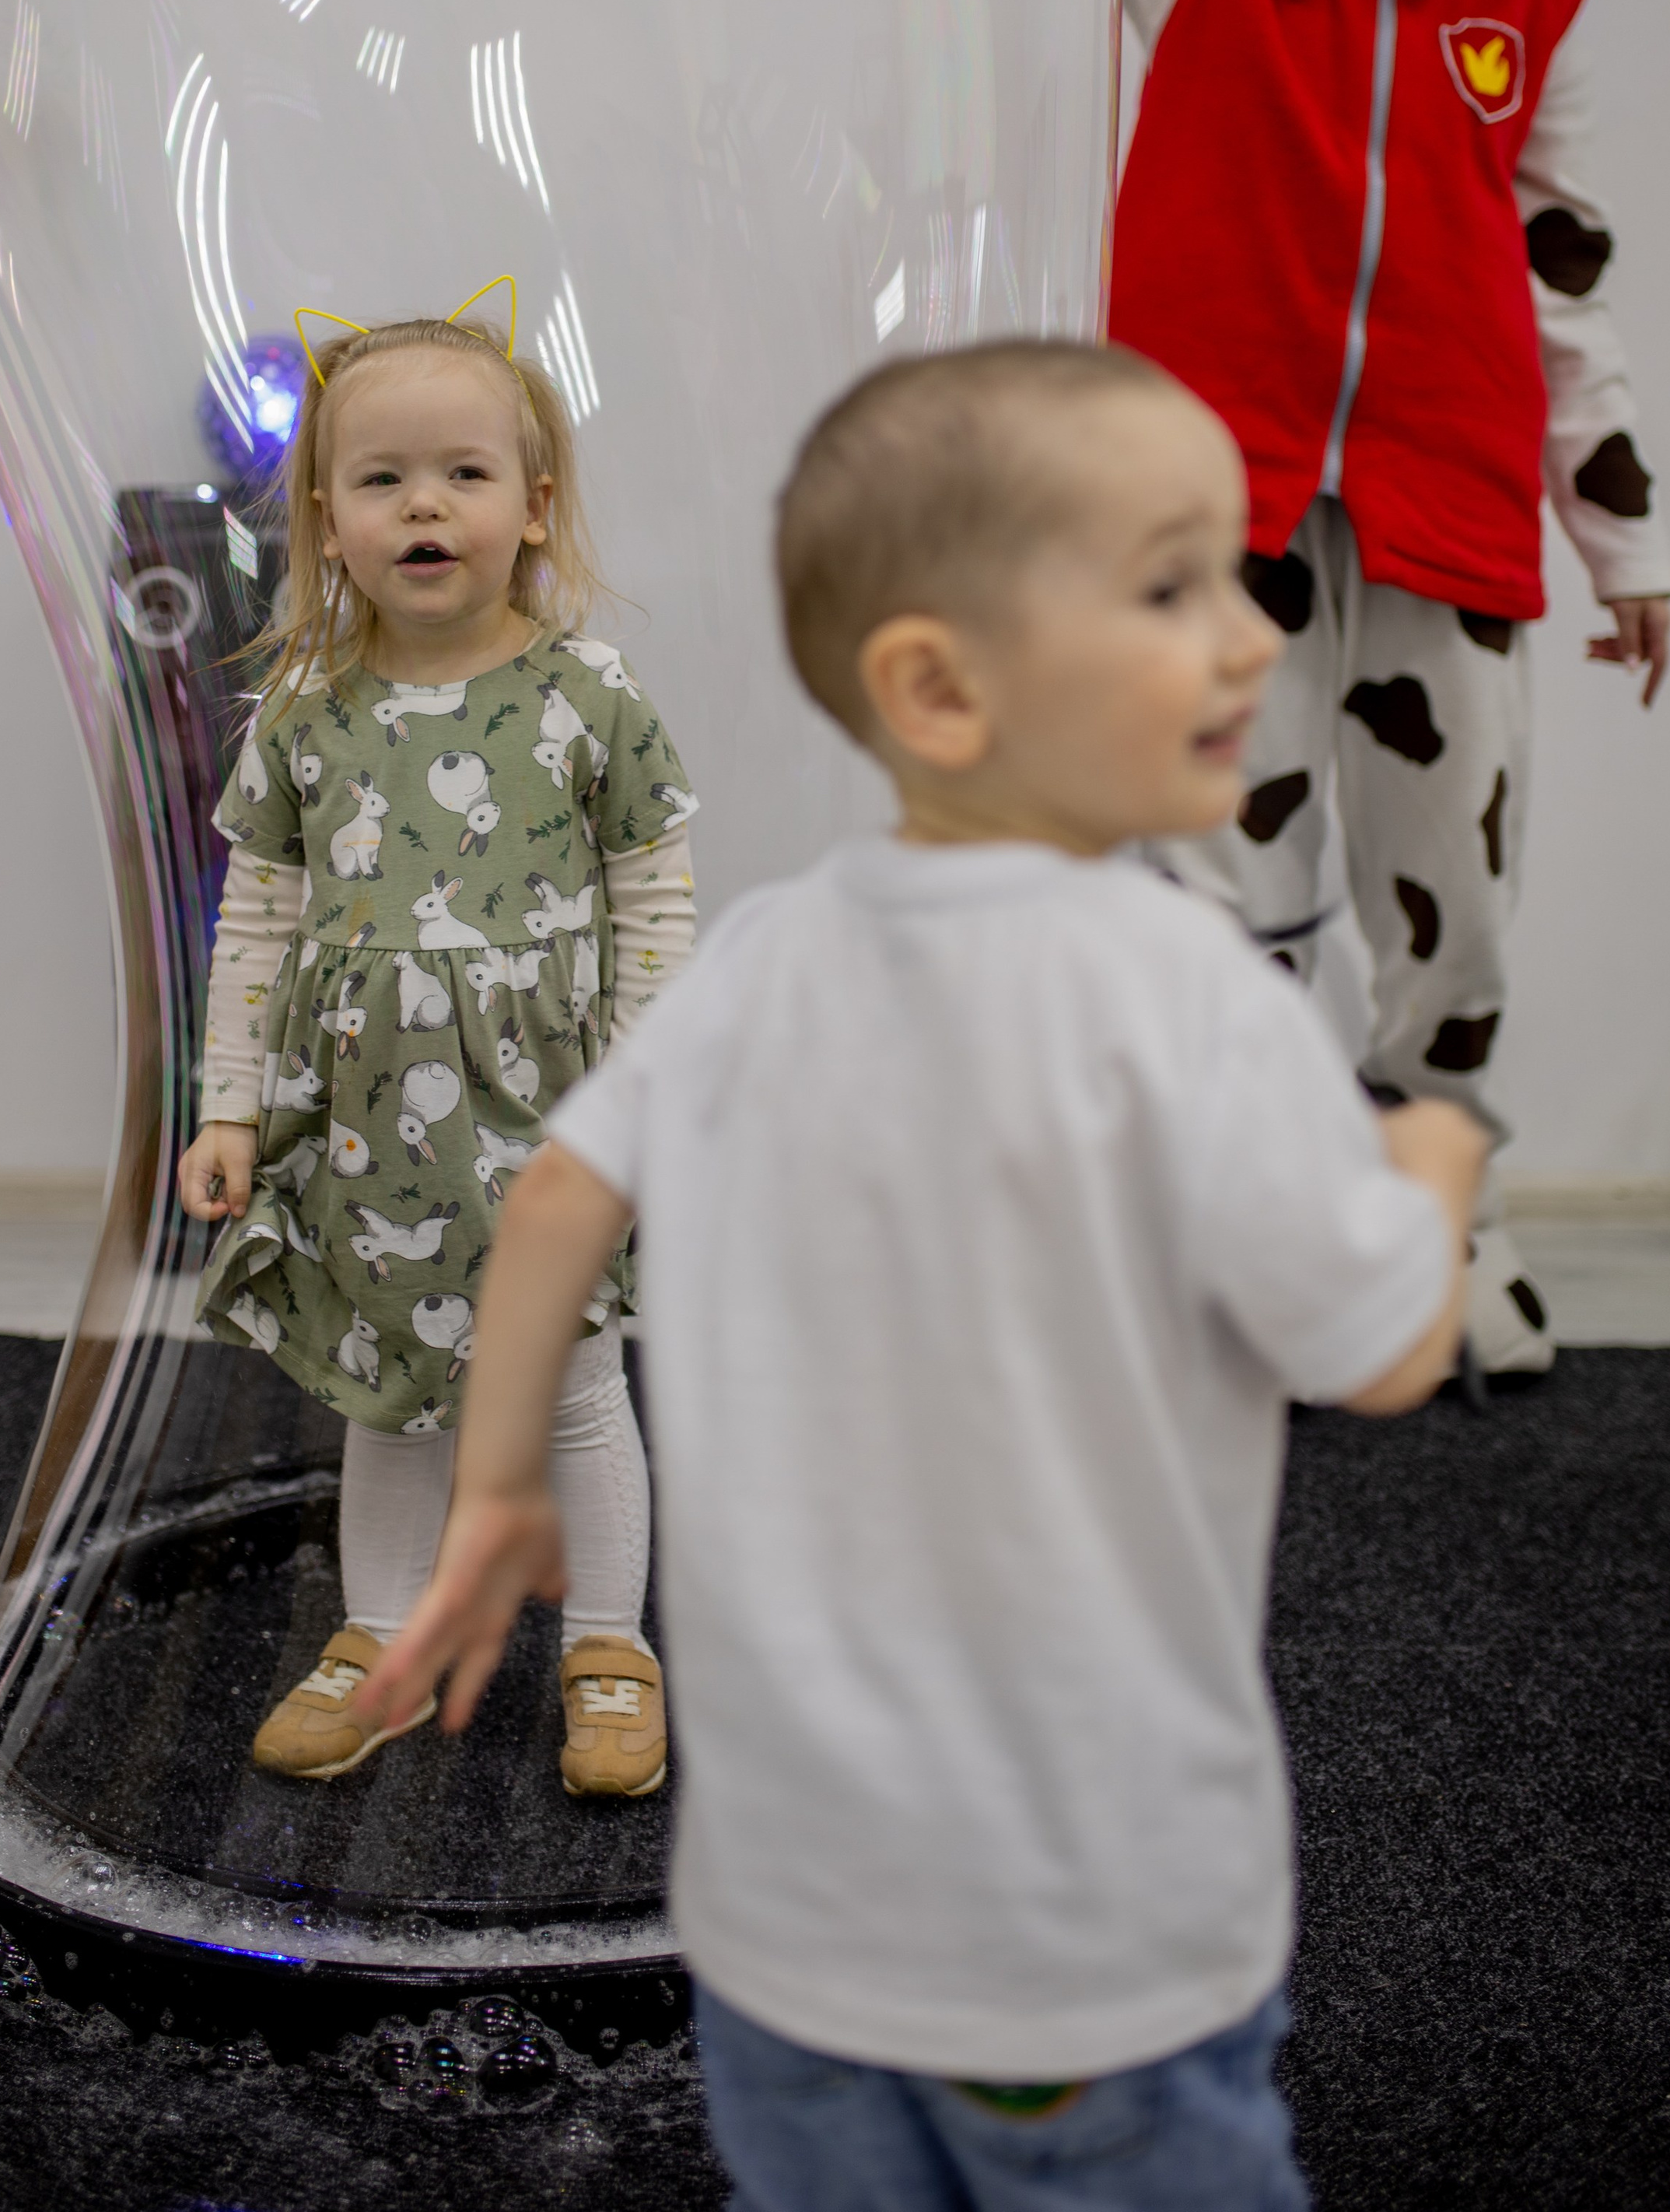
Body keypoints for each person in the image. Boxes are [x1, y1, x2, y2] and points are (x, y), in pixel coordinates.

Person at [355, 340, 1486, 2209]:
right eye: (1168, 585)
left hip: (783, 1933)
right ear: (938, 687)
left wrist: (494, 1484)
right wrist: (1431, 1159)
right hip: (1093, 1947)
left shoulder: (762, 958)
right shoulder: (1193, 992)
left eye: (1236, 574)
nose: (1246, 637)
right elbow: (1373, 1350)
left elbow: (556, 1197)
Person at [835, 0, 1670, 1376]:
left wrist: (1630, 549)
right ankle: (1236, 1241)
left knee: (1443, 916)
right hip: (1219, 515)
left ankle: (1428, 1248)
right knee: (1220, 886)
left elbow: (1570, 287)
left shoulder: (1522, 13)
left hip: (1456, 509)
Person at [177, 309, 697, 1795]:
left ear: (534, 508)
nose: (423, 506)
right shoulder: (301, 714)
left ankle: (609, 1647)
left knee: (577, 1384)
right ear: (326, 521)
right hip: (361, 1136)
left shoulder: (590, 698)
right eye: (383, 480)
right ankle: (380, 1636)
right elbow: (258, 928)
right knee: (383, 1391)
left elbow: (656, 908)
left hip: (551, 1120)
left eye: (464, 474)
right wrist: (228, 1110)